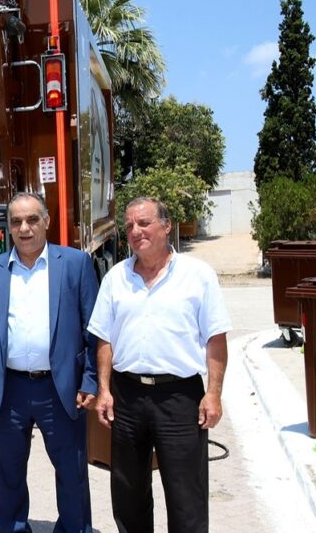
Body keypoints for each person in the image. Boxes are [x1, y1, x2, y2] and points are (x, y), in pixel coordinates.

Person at [87, 196, 231, 533]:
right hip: (127, 396)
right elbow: (104, 340)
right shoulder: (116, 278)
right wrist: (104, 390)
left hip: (179, 398)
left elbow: (216, 338)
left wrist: (213, 394)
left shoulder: (198, 275)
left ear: (166, 226)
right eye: (129, 226)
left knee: (186, 493)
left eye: (144, 223)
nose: (136, 231)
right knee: (128, 491)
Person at [0, 192, 98, 533]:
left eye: (32, 220)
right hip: (10, 389)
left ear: (47, 221)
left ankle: (74, 529)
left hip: (60, 388)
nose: (24, 228)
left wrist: (90, 380)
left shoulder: (75, 263)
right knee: (8, 473)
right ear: (9, 227)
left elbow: (93, 331)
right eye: (16, 222)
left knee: (71, 470)